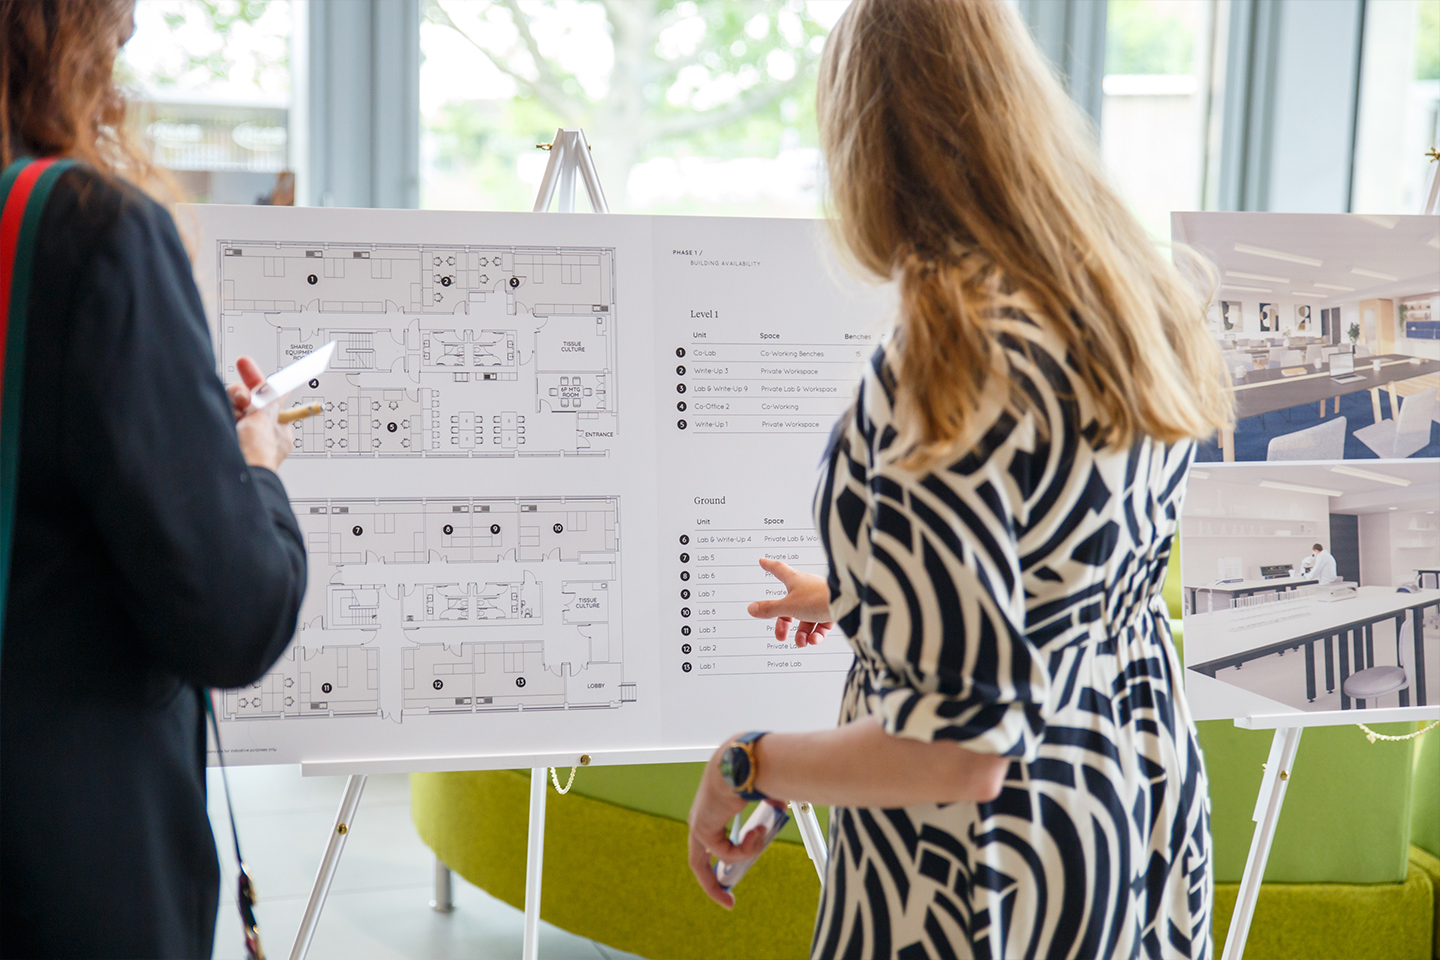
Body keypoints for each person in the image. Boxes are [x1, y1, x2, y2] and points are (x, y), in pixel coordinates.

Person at [685, 2, 1232, 958]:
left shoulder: (945, 369)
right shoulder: (1135, 303)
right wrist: (870, 592)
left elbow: (959, 751)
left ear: (865, 138)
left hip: (984, 871)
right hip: (1129, 802)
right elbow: (1070, 561)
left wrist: (749, 764)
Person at [0, 2, 307, 956]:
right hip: (65, 859)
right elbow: (232, 616)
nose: (128, 35)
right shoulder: (88, 230)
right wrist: (252, 468)